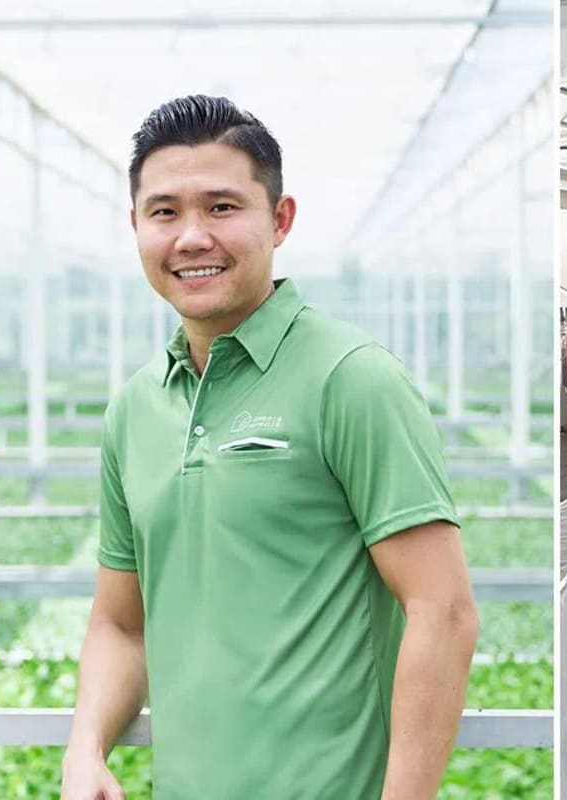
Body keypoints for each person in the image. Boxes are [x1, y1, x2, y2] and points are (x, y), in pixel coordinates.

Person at [60, 95, 479, 800]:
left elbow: (443, 611)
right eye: (164, 212)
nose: (192, 237)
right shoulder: (135, 409)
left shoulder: (351, 378)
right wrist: (85, 748)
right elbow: (120, 624)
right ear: (136, 226)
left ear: (279, 220)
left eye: (222, 207)